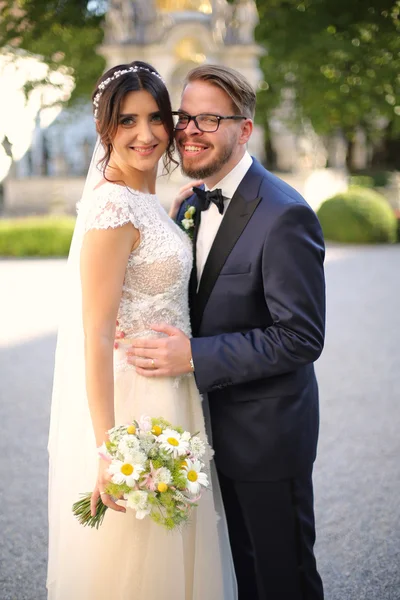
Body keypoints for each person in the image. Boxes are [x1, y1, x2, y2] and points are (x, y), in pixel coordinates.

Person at [126, 64, 326, 600]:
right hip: (205, 431)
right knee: (239, 574)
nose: (190, 129)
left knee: (282, 579)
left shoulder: (285, 215)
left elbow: (301, 337)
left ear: (244, 129)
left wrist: (191, 356)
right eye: (185, 116)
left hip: (266, 437)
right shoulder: (191, 204)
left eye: (209, 119)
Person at [47, 61, 237, 600]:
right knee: (137, 561)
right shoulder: (111, 208)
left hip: (177, 392)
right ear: (106, 128)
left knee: (173, 553)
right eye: (128, 121)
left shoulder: (149, 203)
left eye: (156, 118)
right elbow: (96, 335)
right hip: (139, 405)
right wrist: (110, 449)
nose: (147, 134)